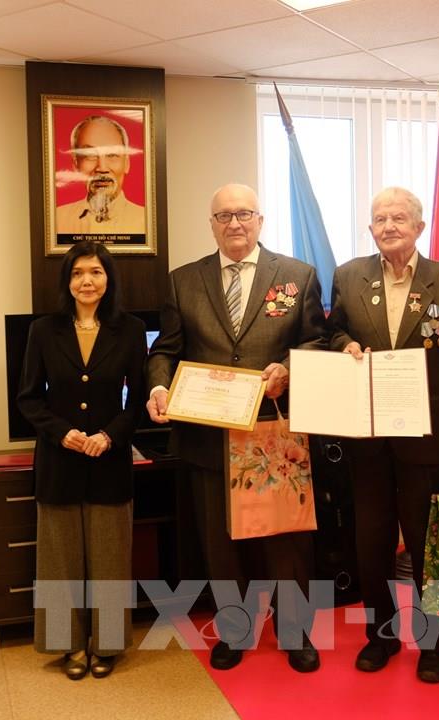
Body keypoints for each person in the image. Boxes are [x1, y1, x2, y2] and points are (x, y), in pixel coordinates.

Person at [146, 183, 327, 673]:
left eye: (244, 213)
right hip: (209, 435)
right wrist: (159, 386)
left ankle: (295, 631)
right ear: (212, 225)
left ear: (260, 220)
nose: (235, 223)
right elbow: (166, 349)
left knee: (286, 541)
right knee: (221, 543)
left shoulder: (297, 275)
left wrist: (289, 368)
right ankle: (234, 630)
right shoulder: (184, 281)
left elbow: (317, 341)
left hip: (275, 436)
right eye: (223, 216)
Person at [327, 187, 439, 684]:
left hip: (428, 438)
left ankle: (434, 644)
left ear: (419, 227)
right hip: (366, 435)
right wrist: (346, 344)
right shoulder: (349, 276)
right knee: (371, 542)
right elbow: (332, 332)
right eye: (379, 219)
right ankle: (382, 635)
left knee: (429, 544)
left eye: (398, 218)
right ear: (370, 228)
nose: (388, 226)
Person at [18, 240, 148, 680]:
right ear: (67, 281)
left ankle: (107, 644)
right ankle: (68, 645)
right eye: (77, 273)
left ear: (108, 279)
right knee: (59, 562)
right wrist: (63, 433)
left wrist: (109, 436)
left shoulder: (129, 330)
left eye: (95, 272)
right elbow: (29, 398)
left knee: (110, 560)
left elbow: (138, 400)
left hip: (109, 461)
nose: (86, 281)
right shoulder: (43, 330)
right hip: (59, 461)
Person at [55, 115, 147, 236]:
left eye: (112, 155)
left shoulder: (146, 221)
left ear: (126, 163)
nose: (102, 168)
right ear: (75, 164)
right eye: (90, 155)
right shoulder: (57, 220)